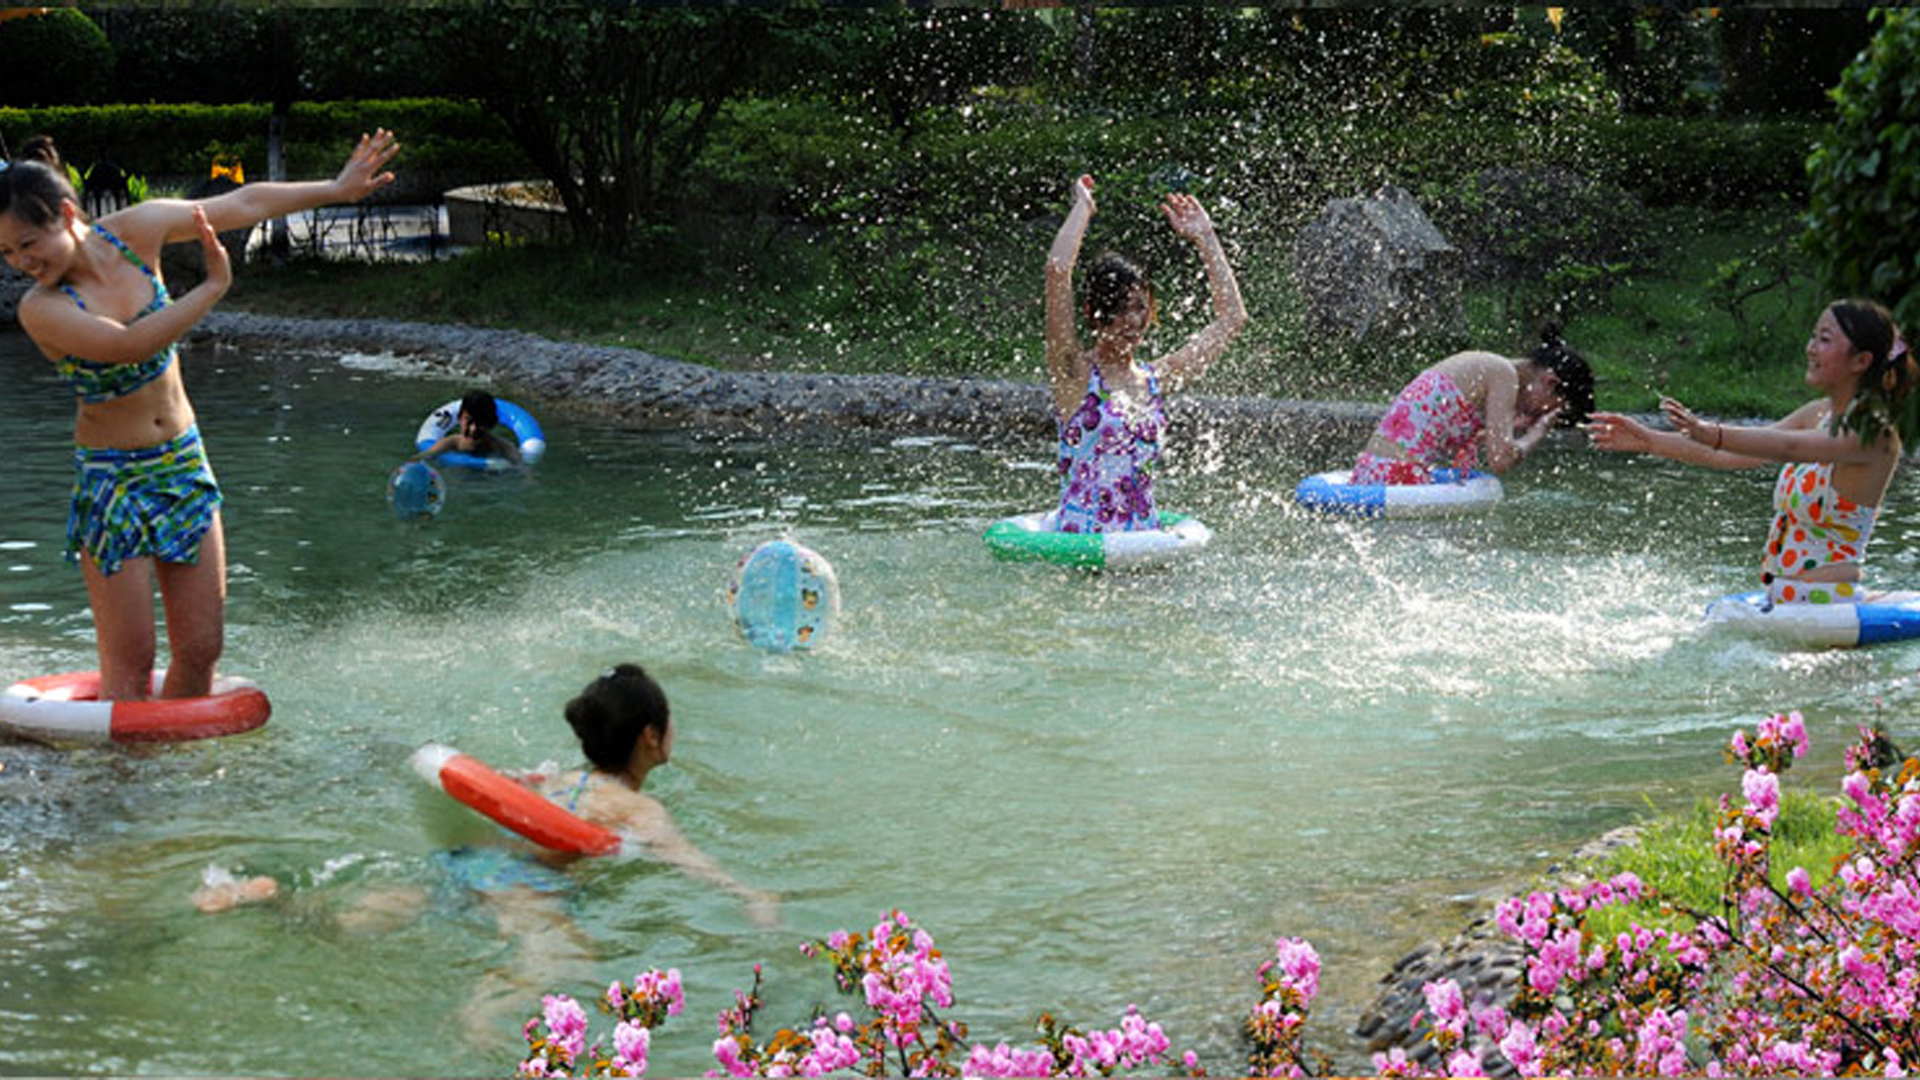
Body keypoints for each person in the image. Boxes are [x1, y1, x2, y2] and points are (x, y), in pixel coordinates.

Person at [0, 130, 400, 702]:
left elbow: (243, 204)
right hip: (113, 481)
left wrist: (335, 190)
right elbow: (130, 345)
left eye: (27, 243)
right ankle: (120, 788)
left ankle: (182, 784)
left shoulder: (137, 231)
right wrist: (213, 287)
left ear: (67, 214)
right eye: (7, 254)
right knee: (131, 665)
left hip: (183, 462)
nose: (21, 263)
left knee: (201, 650)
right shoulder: (42, 309)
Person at [1590, 299, 1910, 606]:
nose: (1810, 348)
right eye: (1813, 336)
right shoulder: (1815, 414)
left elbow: (1789, 447)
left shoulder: (1873, 433)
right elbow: (1729, 455)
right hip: (1785, 599)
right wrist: (1650, 440)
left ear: (1861, 361)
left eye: (1824, 339)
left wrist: (1710, 432)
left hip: (1831, 602)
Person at [1044, 173, 1248, 534]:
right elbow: (1058, 272)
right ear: (1094, 312)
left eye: (1139, 307)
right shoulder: (1074, 375)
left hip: (1145, 548)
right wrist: (1082, 209)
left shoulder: (1156, 378)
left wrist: (1206, 237)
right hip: (1085, 555)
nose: (1132, 320)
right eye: (1120, 308)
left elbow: (1232, 319)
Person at [1348, 336, 1595, 485]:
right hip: (1398, 479)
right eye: (1548, 409)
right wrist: (1537, 433)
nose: (1536, 415)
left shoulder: (1488, 366)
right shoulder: (1503, 373)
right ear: (1550, 382)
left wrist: (1511, 426)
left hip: (1375, 472)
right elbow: (1500, 461)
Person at [415, 389, 523, 465]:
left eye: (481, 422)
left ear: (491, 423)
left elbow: (524, 471)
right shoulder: (450, 444)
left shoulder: (503, 447)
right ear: (459, 418)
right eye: (469, 421)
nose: (473, 429)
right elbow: (421, 458)